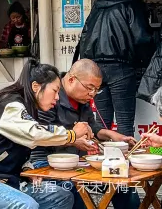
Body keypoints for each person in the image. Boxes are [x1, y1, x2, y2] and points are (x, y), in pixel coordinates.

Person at [0, 60, 94, 209]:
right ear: (36, 86)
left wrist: (26, 168)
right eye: (55, 91)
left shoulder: (27, 107)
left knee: (62, 196)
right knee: (26, 205)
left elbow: (17, 146)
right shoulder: (10, 103)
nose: (57, 97)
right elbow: (34, 134)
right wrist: (72, 135)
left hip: (9, 180)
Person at [30, 59, 139, 209]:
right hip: (46, 164)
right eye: (89, 88)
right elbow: (40, 135)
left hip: (77, 164)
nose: (93, 94)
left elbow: (92, 127)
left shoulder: (82, 99)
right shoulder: (50, 97)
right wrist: (72, 138)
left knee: (121, 185)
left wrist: (113, 135)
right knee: (73, 192)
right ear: (71, 80)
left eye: (96, 89)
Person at [77, 0, 155, 136]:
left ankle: (102, 159)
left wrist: (88, 64)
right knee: (124, 122)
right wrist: (144, 61)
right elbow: (142, 37)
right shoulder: (131, 4)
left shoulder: (99, 3)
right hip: (121, 68)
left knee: (101, 124)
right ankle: (124, 160)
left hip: (95, 69)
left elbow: (84, 35)